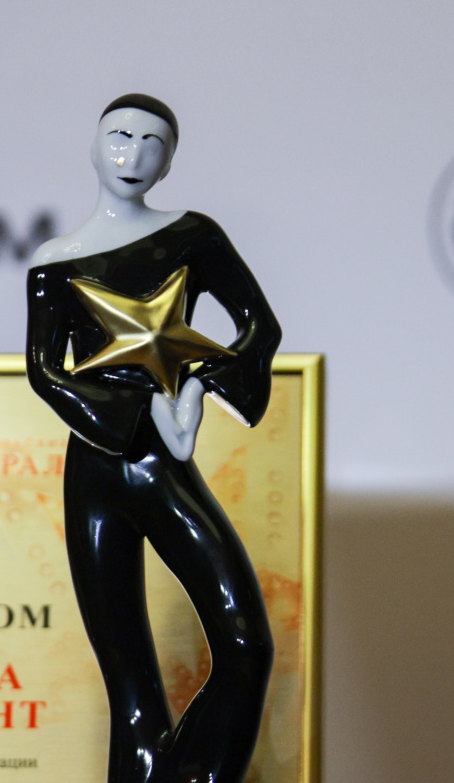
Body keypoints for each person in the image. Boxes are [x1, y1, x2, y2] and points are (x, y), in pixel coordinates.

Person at [26, 94, 281, 783]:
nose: (132, 154)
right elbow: (44, 371)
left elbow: (259, 326)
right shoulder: (56, 260)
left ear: (169, 162)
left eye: (152, 143)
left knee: (247, 646)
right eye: (119, 136)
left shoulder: (192, 236)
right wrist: (133, 414)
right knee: (131, 695)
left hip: (162, 463)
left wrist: (198, 383)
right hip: (96, 466)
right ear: (93, 146)